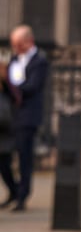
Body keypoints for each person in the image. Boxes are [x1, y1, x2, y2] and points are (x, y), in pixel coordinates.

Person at [5, 25, 49, 211]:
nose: (16, 48)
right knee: (4, 157)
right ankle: (13, 190)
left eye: (18, 44)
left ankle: (22, 195)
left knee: (24, 157)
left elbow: (32, 87)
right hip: (9, 116)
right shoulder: (15, 59)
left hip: (27, 116)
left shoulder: (40, 61)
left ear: (28, 41)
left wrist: (10, 86)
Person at [0, 65, 19, 203]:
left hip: (4, 138)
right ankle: (15, 191)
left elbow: (5, 118)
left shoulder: (5, 94)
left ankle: (15, 191)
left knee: (5, 167)